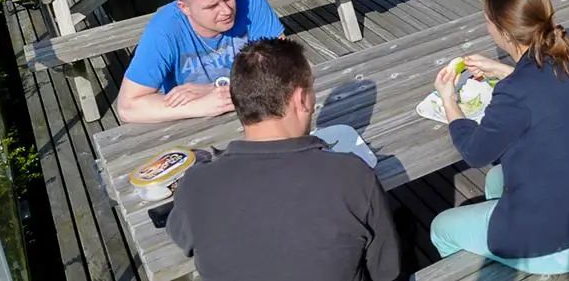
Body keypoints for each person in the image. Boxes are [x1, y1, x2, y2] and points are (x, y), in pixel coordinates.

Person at [429, 0, 569, 272]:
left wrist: (448, 100)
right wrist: (504, 70)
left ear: (503, 31)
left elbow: (475, 152)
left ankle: (486, 271)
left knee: (441, 227)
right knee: (496, 180)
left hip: (567, 244)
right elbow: (550, 88)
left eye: (487, 20)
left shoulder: (514, 92)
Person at [165, 37, 401, 281]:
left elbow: (181, 235)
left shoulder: (196, 183)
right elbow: (386, 271)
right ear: (300, 99)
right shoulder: (353, 175)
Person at [114, 0, 284, 123]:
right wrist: (198, 106)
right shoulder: (164, 29)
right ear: (185, 8)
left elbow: (284, 67)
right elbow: (127, 107)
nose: (226, 10)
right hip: (194, 123)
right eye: (212, 6)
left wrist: (215, 89)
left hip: (257, 110)